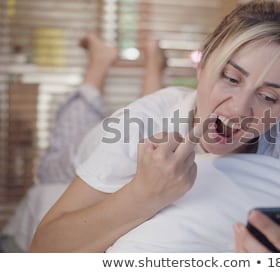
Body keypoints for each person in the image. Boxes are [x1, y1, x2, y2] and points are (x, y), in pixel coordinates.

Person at [30, 0, 280, 253]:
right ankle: (135, 64)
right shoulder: (145, 118)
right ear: (202, 66)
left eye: (269, 97)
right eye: (231, 78)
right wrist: (143, 194)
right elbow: (43, 251)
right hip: (95, 144)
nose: (239, 109)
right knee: (64, 151)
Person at [0, 33, 166, 252]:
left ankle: (106, 62)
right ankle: (146, 64)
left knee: (62, 162)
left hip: (69, 173)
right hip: (109, 172)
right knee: (150, 125)